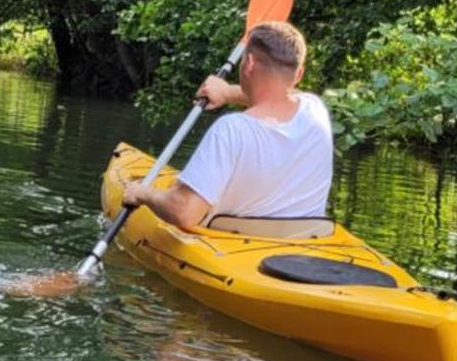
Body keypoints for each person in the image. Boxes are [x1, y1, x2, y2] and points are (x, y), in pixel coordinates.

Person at [120, 20, 332, 230]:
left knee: (176, 194)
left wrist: (143, 193)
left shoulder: (231, 129)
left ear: (249, 63)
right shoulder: (315, 110)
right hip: (307, 239)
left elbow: (184, 213)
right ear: (299, 74)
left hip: (236, 239)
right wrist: (227, 92)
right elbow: (280, 96)